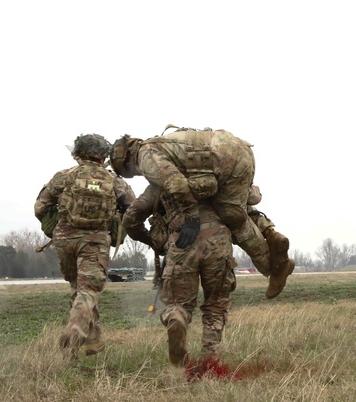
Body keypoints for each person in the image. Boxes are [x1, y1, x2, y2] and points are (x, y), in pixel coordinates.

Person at [110, 126, 294, 298]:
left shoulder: (146, 157)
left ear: (126, 160)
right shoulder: (161, 145)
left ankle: (275, 269)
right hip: (236, 151)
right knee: (236, 208)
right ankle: (271, 234)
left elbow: (177, 185)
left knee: (233, 216)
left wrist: (191, 219)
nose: (133, 175)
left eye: (127, 172)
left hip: (229, 161)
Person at [34, 134, 136, 358]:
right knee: (89, 290)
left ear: (78, 153)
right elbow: (133, 208)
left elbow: (40, 206)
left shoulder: (63, 177)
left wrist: (55, 228)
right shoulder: (114, 181)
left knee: (79, 288)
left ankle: (93, 339)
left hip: (65, 240)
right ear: (102, 156)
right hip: (95, 241)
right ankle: (74, 334)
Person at [123, 182, 236, 367]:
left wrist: (153, 241)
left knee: (178, 304)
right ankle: (209, 359)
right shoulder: (216, 176)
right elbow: (240, 209)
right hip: (218, 242)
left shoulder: (162, 182)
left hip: (180, 243)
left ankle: (177, 318)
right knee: (216, 305)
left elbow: (130, 219)